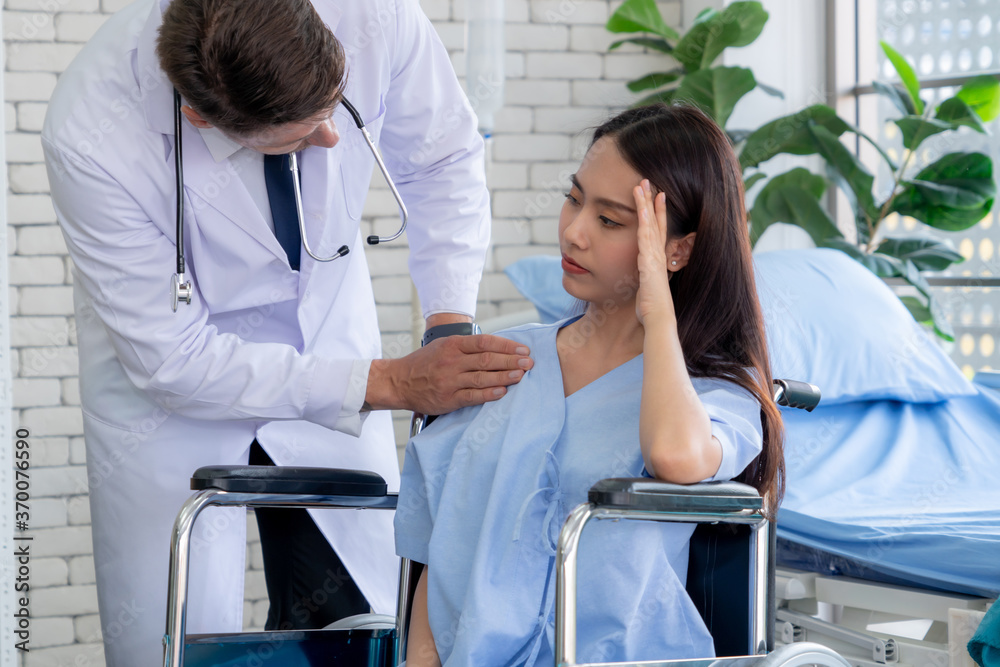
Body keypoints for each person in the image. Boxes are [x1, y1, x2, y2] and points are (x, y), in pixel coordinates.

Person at [41, 0, 534, 664]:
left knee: (351, 614)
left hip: (324, 333)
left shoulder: (373, 13)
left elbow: (442, 159)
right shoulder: (92, 133)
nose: (331, 142)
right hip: (168, 392)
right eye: (302, 137)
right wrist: (384, 380)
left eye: (335, 113)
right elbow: (173, 359)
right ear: (200, 117)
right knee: (176, 637)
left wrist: (448, 319)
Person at [394, 103, 786, 666]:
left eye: (609, 220)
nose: (573, 233)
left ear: (677, 250)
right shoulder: (501, 364)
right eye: (574, 199)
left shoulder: (716, 395)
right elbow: (440, 547)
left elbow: (676, 456)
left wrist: (658, 314)